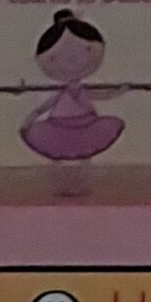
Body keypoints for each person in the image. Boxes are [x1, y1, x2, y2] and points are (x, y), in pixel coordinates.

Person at [18, 12, 128, 194]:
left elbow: (102, 95)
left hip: (87, 124)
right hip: (59, 125)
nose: (72, 60)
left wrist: (119, 92)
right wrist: (29, 120)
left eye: (87, 50)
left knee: (85, 155)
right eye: (54, 57)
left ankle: (82, 186)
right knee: (57, 155)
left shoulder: (83, 91)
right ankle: (61, 186)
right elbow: (42, 108)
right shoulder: (61, 94)